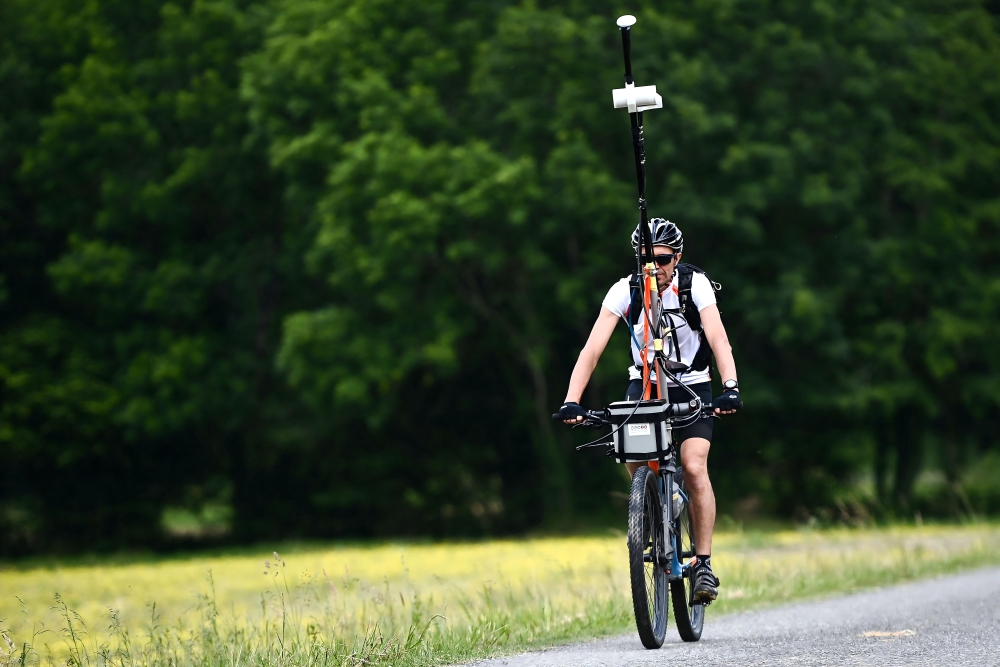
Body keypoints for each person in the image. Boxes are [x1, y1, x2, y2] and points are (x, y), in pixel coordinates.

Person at [556, 218, 741, 602]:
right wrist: (572, 399)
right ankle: (651, 512)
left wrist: (730, 388)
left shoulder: (695, 286)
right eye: (646, 258)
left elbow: (718, 338)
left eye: (663, 258)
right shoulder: (625, 290)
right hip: (643, 386)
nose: (655, 266)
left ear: (677, 257)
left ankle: (702, 564)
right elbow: (592, 349)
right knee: (639, 466)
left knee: (692, 465)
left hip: (693, 386)